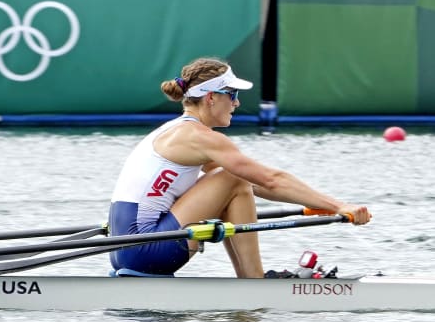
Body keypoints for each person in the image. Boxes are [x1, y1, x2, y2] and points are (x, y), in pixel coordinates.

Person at [108, 57, 371, 278]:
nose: (236, 103)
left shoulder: (175, 132)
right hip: (146, 251)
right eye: (232, 95)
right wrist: (339, 206)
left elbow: (255, 184)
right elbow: (271, 179)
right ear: (211, 97)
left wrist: (319, 203)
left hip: (122, 251)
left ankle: (251, 280)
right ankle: (253, 282)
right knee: (233, 178)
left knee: (235, 180)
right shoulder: (198, 137)